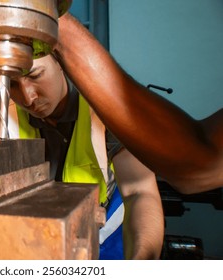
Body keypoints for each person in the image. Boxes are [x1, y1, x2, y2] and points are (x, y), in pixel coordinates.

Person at [0, 54, 164, 259]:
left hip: (106, 236)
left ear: (61, 63)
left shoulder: (106, 109)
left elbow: (140, 192)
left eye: (36, 75)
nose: (28, 97)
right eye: (12, 84)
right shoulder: (5, 118)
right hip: (41, 239)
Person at [53, 13, 223, 194]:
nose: (28, 94)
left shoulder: (96, 116)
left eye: (36, 75)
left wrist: (52, 21)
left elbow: (201, 168)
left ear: (61, 69)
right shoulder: (21, 115)